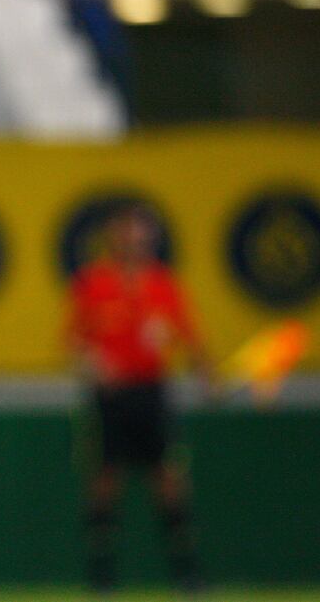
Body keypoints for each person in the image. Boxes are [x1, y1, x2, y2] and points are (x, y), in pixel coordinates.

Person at [67, 203, 212, 591]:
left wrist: (206, 374)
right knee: (104, 482)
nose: (133, 238)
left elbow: (192, 340)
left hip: (152, 394)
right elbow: (75, 343)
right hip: (111, 399)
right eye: (125, 230)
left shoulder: (164, 284)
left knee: (169, 481)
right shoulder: (93, 283)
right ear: (113, 236)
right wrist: (97, 364)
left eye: (140, 231)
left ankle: (188, 574)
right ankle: (102, 577)